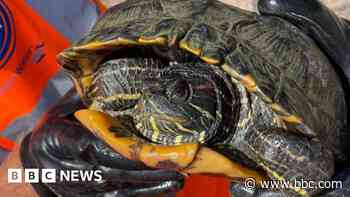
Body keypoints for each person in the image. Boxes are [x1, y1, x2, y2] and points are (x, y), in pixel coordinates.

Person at [1, 0, 350, 196]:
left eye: (178, 92)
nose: (149, 100)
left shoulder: (260, 131)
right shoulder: (140, 95)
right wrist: (38, 176)